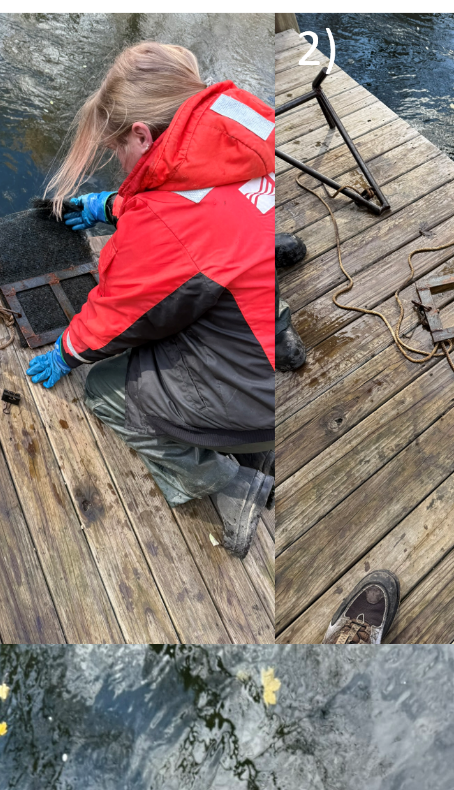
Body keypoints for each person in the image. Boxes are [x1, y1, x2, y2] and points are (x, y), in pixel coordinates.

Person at [27, 44, 275, 558]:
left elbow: (118, 315)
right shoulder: (243, 127)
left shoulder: (164, 226)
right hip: (268, 322)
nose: (117, 162)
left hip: (260, 392)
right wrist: (115, 206)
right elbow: (200, 200)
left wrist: (66, 351)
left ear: (142, 133)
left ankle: (230, 482)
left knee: (108, 390)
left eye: (117, 148)